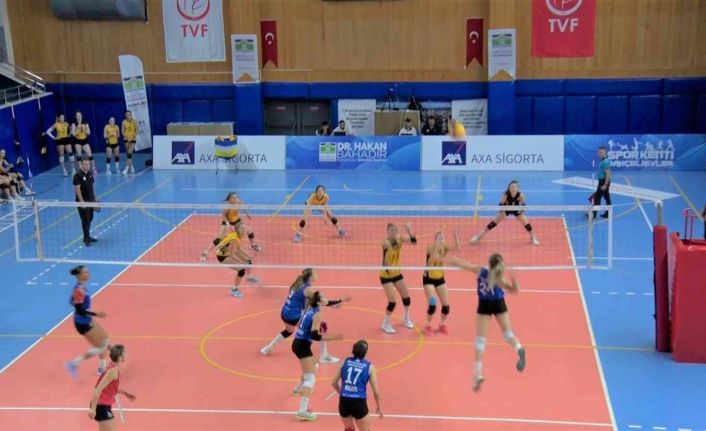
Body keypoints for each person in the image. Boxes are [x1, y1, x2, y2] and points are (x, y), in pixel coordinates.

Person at [452, 253, 526, 392]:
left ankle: (478, 375)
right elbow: (515, 290)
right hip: (499, 303)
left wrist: (452, 260)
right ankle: (518, 348)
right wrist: (513, 277)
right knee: (508, 335)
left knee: (480, 341)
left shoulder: (481, 271)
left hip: (484, 305)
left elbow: (464, 265)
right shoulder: (499, 279)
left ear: (489, 263)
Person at [260, 268, 350, 364]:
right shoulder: (308, 289)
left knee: (289, 331)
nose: (317, 275)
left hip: (285, 312)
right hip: (293, 315)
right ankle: (324, 356)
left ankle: (268, 348)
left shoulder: (298, 283)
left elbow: (308, 301)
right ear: (310, 277)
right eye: (315, 273)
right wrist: (340, 300)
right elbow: (321, 301)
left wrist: (330, 305)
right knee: (322, 327)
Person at [291, 291, 344, 421]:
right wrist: (332, 337)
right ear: (319, 302)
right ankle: (302, 411)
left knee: (314, 365)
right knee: (310, 379)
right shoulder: (318, 314)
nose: (326, 298)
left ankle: (297, 389)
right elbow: (314, 335)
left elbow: (328, 303)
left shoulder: (310, 307)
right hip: (302, 346)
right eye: (324, 297)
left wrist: (340, 300)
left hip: (298, 342)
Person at [65, 266, 111, 378]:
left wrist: (76, 300)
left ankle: (103, 367)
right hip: (83, 323)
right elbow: (79, 311)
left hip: (86, 319)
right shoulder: (79, 289)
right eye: (85, 272)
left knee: (105, 338)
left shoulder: (80, 287)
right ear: (79, 275)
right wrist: (96, 314)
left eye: (87, 272)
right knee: (102, 346)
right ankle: (74, 363)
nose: (88, 274)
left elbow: (71, 301)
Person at [331, 340, 383, 431]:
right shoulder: (369, 367)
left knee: (349, 428)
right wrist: (379, 406)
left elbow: (334, 383)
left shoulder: (345, 362)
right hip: (359, 402)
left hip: (344, 401)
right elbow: (376, 392)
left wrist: (342, 393)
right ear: (365, 352)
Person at [470, 180, 539, 245]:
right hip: (506, 209)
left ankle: (533, 237)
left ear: (517, 188)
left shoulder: (520, 194)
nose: (514, 188)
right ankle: (479, 236)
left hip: (516, 209)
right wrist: (503, 213)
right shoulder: (506, 194)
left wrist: (521, 211)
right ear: (509, 187)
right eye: (512, 187)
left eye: (515, 187)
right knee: (493, 223)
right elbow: (501, 204)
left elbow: (523, 205)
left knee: (526, 223)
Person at [200, 192, 261, 261]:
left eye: (236, 197)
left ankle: (253, 245)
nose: (235, 199)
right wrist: (228, 224)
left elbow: (244, 206)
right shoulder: (228, 207)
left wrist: (247, 214)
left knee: (248, 230)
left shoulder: (239, 202)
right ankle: (205, 252)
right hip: (227, 221)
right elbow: (223, 216)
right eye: (233, 198)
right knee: (220, 238)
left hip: (237, 220)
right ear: (230, 199)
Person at [89, 345, 136, 430]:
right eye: (125, 353)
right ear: (120, 357)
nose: (127, 354)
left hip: (104, 405)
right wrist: (92, 409)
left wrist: (125, 393)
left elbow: (110, 388)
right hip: (101, 406)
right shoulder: (113, 371)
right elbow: (98, 389)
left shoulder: (113, 367)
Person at [380, 222, 416, 334]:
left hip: (397, 274)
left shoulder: (400, 239)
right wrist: (398, 238)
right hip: (386, 276)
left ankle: (405, 317)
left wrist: (409, 230)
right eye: (391, 230)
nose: (393, 232)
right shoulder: (385, 242)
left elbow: (414, 242)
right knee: (392, 302)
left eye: (395, 230)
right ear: (387, 232)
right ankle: (385, 323)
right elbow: (393, 244)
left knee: (407, 298)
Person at [422, 231, 460, 336]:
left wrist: (456, 236)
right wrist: (451, 260)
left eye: (443, 238)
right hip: (428, 279)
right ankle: (428, 326)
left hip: (440, 279)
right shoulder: (430, 247)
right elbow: (434, 258)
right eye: (439, 238)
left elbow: (457, 248)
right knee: (432, 305)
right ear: (435, 240)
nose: (441, 239)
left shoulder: (445, 247)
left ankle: (442, 324)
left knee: (446, 307)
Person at [215, 224, 260, 298]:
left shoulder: (238, 236)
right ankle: (234, 289)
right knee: (241, 270)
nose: (245, 231)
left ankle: (249, 277)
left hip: (229, 252)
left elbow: (239, 248)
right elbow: (231, 254)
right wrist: (241, 263)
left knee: (249, 261)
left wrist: (248, 256)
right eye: (243, 230)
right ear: (238, 230)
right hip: (223, 256)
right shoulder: (234, 239)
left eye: (245, 230)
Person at [73, 158, 98, 247]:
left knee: (90, 218)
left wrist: (94, 197)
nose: (87, 166)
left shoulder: (89, 173)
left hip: (90, 201)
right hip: (83, 201)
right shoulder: (78, 175)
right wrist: (81, 201)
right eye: (85, 164)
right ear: (81, 165)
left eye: (88, 164)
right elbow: (77, 188)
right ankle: (86, 239)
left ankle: (88, 236)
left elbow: (92, 185)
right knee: (85, 220)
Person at [591, 146, 612, 219]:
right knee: (606, 197)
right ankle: (608, 213)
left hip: (603, 182)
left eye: (601, 152)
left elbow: (608, 174)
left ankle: (593, 214)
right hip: (602, 181)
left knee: (597, 197)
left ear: (605, 152)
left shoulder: (605, 161)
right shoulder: (602, 160)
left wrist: (605, 185)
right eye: (598, 152)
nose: (599, 154)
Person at [121, 111, 138, 175]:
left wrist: (133, 137)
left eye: (129, 115)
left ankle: (126, 168)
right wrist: (127, 137)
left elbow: (137, 130)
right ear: (125, 116)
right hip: (126, 139)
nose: (128, 116)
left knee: (129, 152)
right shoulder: (123, 122)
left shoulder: (134, 121)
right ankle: (131, 166)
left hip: (133, 139)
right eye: (127, 115)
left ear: (131, 115)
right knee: (128, 154)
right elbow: (122, 131)